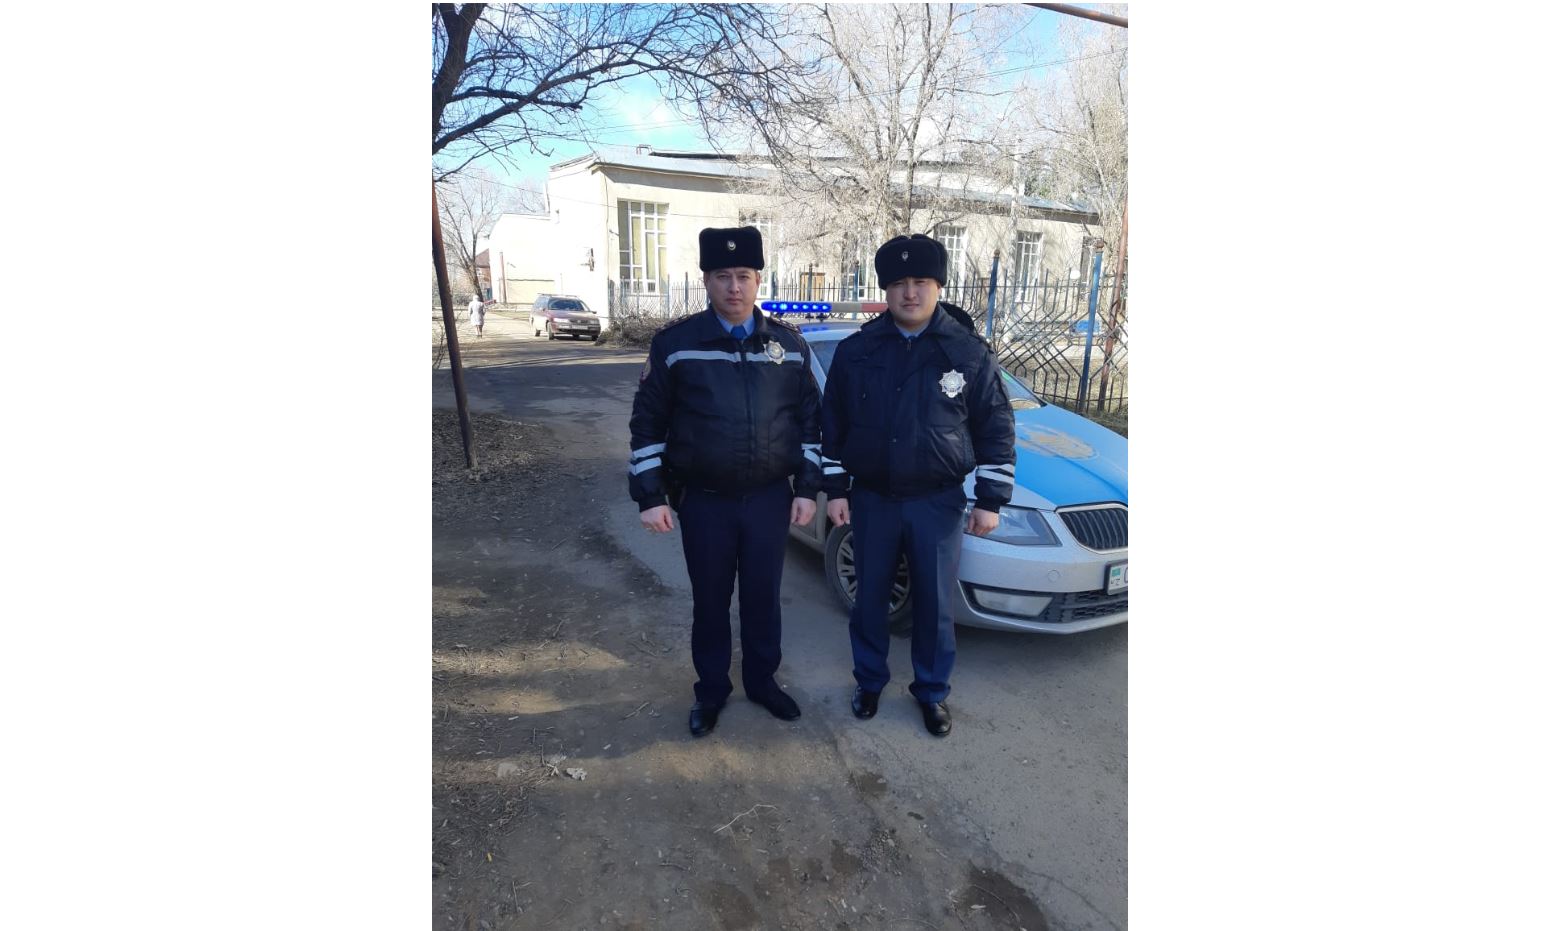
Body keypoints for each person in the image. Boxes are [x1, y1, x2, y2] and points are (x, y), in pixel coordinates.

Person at [627, 226, 823, 738]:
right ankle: (711, 690)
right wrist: (651, 496)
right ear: (706, 281)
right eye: (722, 276)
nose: (734, 287)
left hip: (768, 500)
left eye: (743, 275)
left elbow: (810, 422)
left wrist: (806, 488)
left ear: (759, 280)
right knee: (711, 602)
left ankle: (762, 682)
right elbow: (647, 424)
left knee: (763, 598)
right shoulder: (676, 345)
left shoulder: (788, 345)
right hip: (705, 502)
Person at [820, 233, 1017, 737]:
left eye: (921, 281)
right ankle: (869, 681)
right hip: (873, 499)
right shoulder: (858, 351)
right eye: (899, 283)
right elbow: (833, 425)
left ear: (939, 285)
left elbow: (995, 427)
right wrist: (836, 489)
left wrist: (991, 499)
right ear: (885, 290)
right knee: (870, 601)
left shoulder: (967, 352)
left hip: (937, 503)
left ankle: (931, 692)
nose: (910, 292)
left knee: (934, 606)